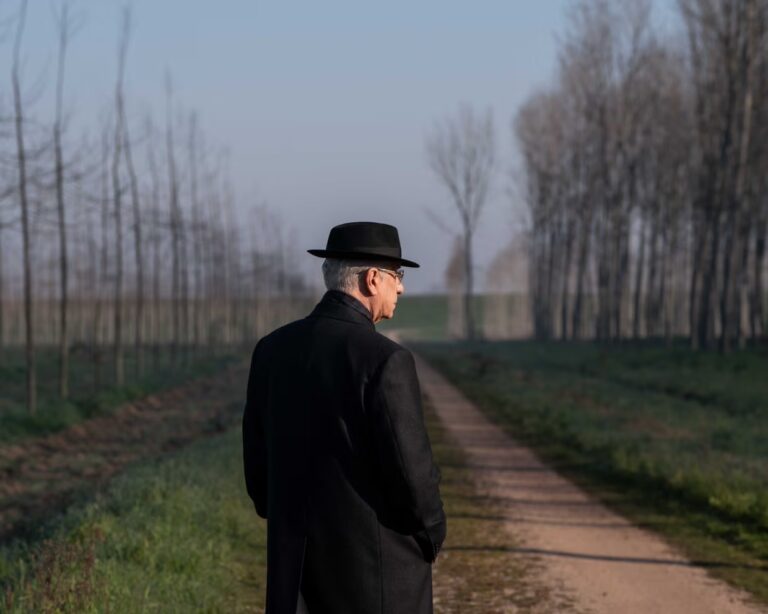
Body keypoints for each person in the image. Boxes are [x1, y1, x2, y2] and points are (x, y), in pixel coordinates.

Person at [242, 221, 446, 614]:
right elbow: (412, 474)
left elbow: (257, 466)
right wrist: (432, 533)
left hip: (294, 573)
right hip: (376, 575)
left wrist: (289, 522)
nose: (401, 287)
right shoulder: (385, 360)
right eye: (397, 276)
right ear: (372, 279)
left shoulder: (271, 350)